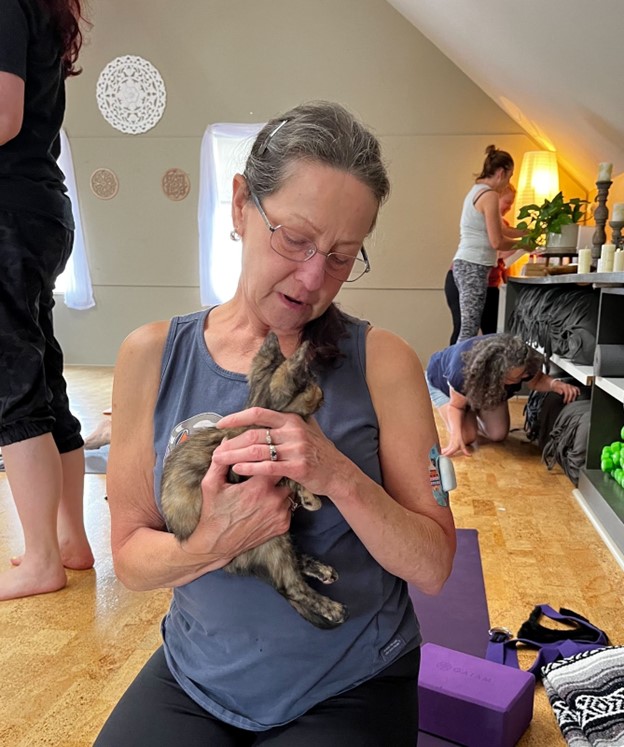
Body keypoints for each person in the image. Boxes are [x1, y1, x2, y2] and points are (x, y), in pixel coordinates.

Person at [95, 101, 457, 746]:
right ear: (240, 205)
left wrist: (338, 475)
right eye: (295, 238)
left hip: (350, 681)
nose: (314, 277)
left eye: (343, 256)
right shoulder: (150, 355)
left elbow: (432, 566)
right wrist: (214, 541)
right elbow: (129, 559)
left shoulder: (384, 362)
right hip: (196, 677)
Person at [0, 0, 93, 600]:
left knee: (11, 384)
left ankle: (41, 560)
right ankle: (68, 541)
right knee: (41, 375)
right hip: (37, 209)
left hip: (9, 211)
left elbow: (3, 116)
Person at [426, 333, 580, 458]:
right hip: (443, 386)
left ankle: (473, 409)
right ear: (496, 374)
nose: (522, 378)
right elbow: (456, 406)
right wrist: (455, 436)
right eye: (514, 378)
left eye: (523, 374)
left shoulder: (521, 362)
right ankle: (469, 412)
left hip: (488, 392)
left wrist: (555, 384)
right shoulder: (461, 372)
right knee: (466, 436)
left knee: (497, 434)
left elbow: (536, 380)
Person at [452, 146, 529, 342]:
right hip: (473, 265)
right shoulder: (490, 195)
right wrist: (524, 246)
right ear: (502, 173)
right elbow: (497, 241)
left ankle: (455, 371)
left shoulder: (476, 191)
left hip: (466, 264)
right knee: (468, 330)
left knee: (468, 328)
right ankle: (452, 372)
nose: (507, 183)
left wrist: (526, 233)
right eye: (509, 177)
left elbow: (502, 229)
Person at [444, 183, 522, 344]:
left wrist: (528, 236)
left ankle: (473, 366)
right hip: (470, 273)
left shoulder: (502, 224)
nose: (509, 207)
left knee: (483, 331)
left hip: (487, 281)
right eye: (507, 202)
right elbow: (499, 246)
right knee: (466, 329)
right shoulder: (487, 212)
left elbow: (501, 254)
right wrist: (524, 246)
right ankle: (453, 367)